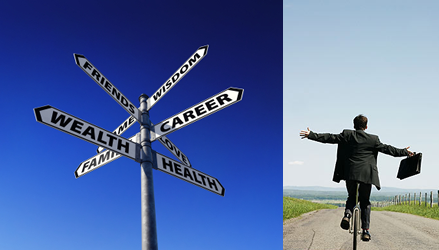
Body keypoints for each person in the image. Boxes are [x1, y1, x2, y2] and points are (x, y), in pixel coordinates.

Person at [299, 114, 413, 242]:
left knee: (352, 197)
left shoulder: (347, 134)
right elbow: (388, 149)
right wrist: (404, 152)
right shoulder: (373, 139)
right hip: (367, 175)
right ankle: (365, 231)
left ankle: (347, 215)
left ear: (354, 125)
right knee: (365, 202)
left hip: (351, 174)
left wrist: (311, 135)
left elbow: (329, 138)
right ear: (366, 126)